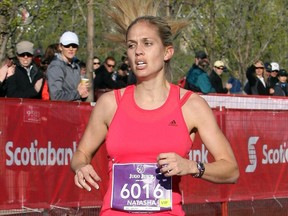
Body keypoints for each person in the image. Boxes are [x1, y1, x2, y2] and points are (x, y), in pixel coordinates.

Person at [71, 14, 239, 216]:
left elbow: (231, 170)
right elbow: (80, 155)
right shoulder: (110, 104)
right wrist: (80, 166)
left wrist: (192, 166)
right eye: (131, 46)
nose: (138, 52)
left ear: (167, 52)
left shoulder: (190, 105)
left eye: (147, 43)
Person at [47, 31, 89, 101]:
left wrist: (83, 94)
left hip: (75, 109)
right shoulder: (56, 67)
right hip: (61, 110)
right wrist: (78, 93)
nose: (71, 48)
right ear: (60, 47)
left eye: (74, 46)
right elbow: (56, 96)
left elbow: (78, 94)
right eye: (67, 45)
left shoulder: (76, 66)